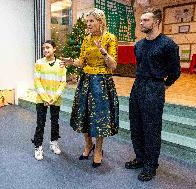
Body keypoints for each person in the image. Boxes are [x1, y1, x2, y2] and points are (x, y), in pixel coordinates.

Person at [125, 8, 181, 182]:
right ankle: (140, 158)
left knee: (151, 129)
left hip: (154, 87)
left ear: (156, 22)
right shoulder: (139, 45)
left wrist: (164, 85)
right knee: (136, 125)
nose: (141, 23)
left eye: (145, 20)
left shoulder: (168, 44)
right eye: (141, 20)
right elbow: (140, 65)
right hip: (138, 86)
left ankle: (151, 165)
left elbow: (175, 71)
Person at [60, 8, 119, 168]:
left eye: (91, 21)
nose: (88, 24)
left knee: (100, 116)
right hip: (86, 80)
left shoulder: (110, 38)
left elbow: (113, 66)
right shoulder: (86, 39)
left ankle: (98, 150)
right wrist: (72, 61)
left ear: (100, 22)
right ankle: (88, 145)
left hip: (101, 81)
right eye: (87, 21)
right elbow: (82, 62)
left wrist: (104, 52)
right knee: (83, 114)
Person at [32, 40, 67, 160]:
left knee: (55, 122)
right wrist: (46, 98)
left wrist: (54, 98)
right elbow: (37, 81)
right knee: (40, 123)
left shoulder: (61, 64)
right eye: (44, 48)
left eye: (48, 47)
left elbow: (63, 82)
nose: (45, 50)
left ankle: (54, 142)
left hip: (55, 100)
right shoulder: (39, 63)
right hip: (42, 99)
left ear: (54, 49)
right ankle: (38, 147)